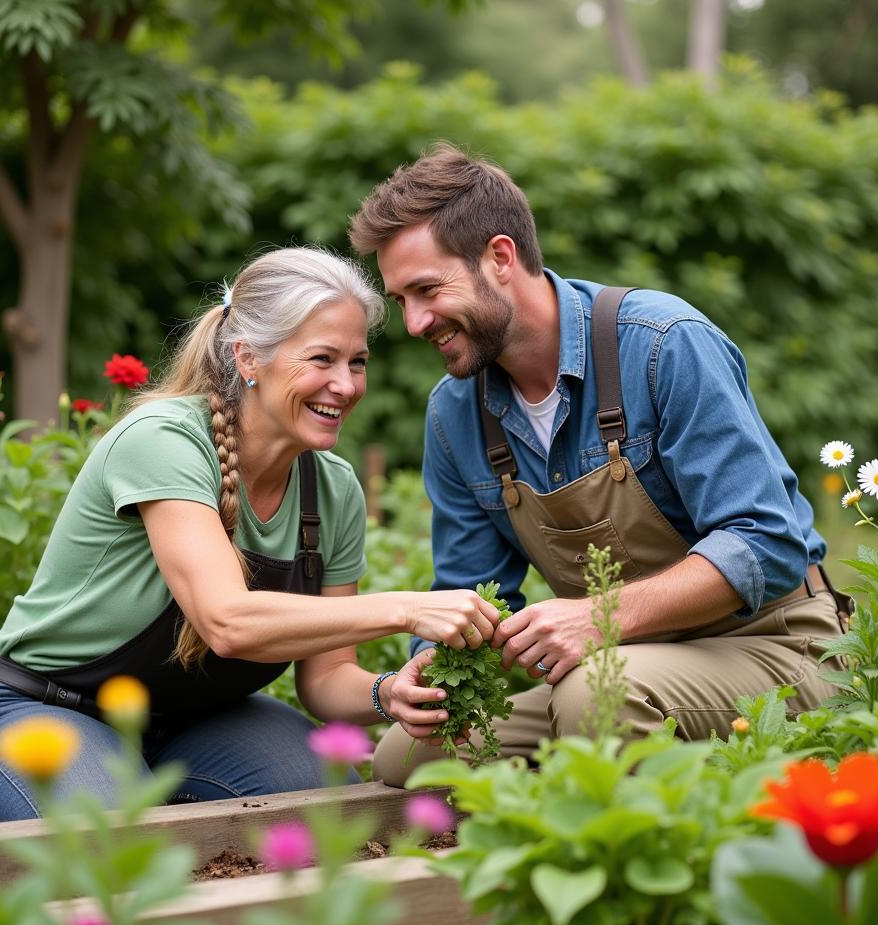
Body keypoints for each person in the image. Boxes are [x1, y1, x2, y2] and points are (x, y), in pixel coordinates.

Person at [0, 247, 500, 829]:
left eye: (357, 362)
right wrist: (405, 609)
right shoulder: (165, 441)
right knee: (113, 860)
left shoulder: (334, 490)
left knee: (337, 820)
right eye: (321, 359)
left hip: (197, 723)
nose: (344, 385)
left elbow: (325, 678)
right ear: (249, 356)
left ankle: (131, 791)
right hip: (42, 706)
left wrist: (387, 691)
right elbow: (227, 621)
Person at [348, 143, 846, 786]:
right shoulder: (454, 414)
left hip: (775, 644)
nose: (414, 322)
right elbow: (467, 588)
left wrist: (599, 617)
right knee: (412, 759)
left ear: (500, 258)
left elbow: (768, 542)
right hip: (624, 663)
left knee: (595, 699)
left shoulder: (662, 345)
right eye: (400, 300)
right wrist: (432, 668)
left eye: (426, 290)